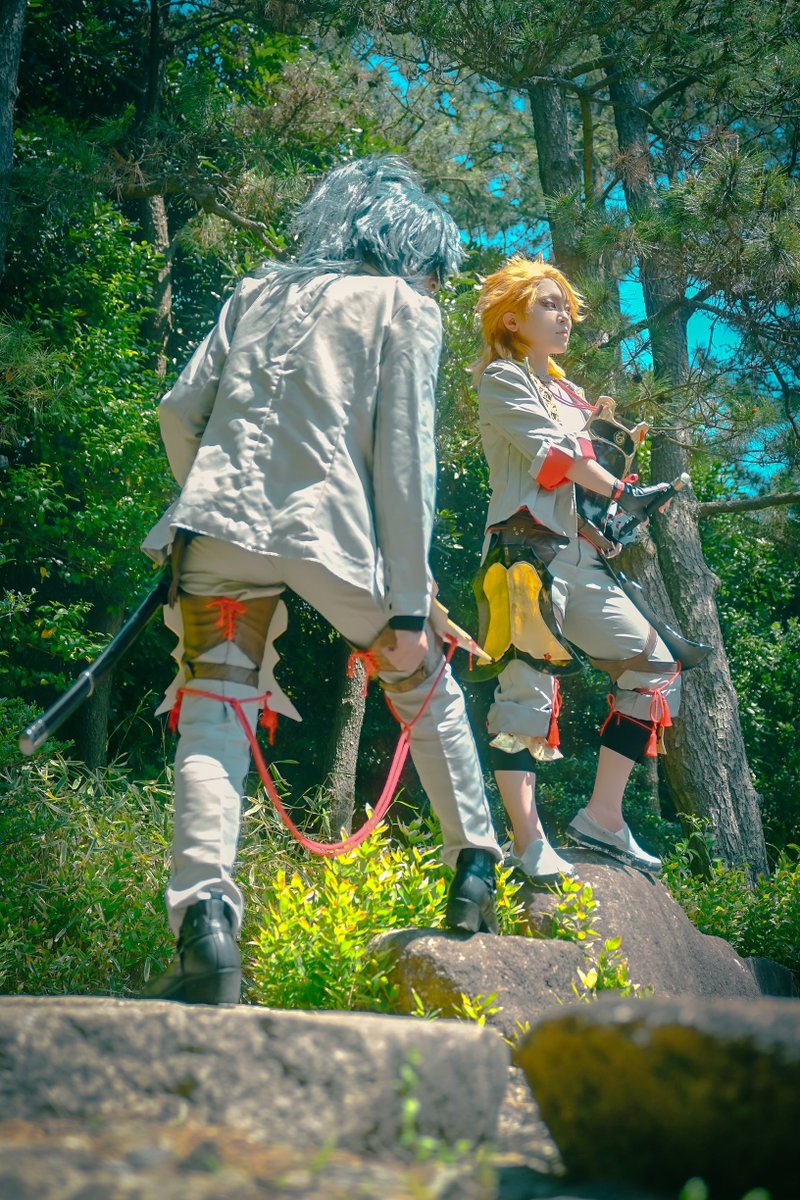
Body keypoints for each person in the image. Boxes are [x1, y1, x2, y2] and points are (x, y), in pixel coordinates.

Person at [140, 156, 503, 1005]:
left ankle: (205, 930)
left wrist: (208, 500)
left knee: (213, 715)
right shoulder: (404, 308)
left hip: (219, 537)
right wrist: (410, 605)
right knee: (425, 685)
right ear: (413, 250)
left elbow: (178, 411)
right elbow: (405, 466)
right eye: (435, 267)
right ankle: (475, 867)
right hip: (331, 540)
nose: (437, 284)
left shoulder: (257, 291)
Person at [472, 256, 683, 884]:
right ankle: (528, 841)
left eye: (565, 305)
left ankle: (603, 818)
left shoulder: (570, 395)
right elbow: (556, 460)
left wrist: (605, 522)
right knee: (525, 694)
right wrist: (624, 492)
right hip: (522, 554)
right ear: (512, 319)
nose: (563, 315)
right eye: (548, 304)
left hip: (578, 554)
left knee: (654, 666)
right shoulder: (501, 378)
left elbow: (575, 483)